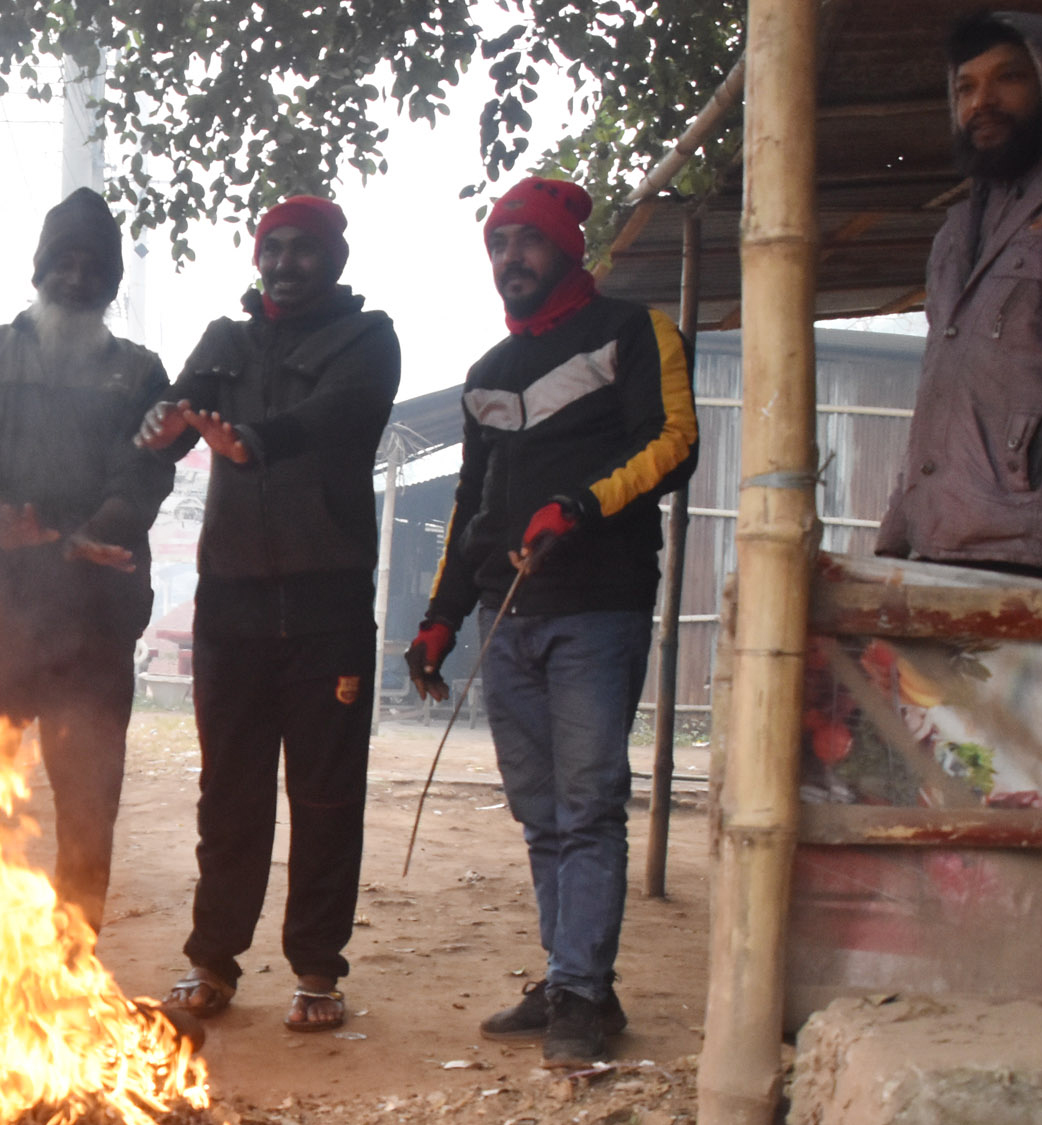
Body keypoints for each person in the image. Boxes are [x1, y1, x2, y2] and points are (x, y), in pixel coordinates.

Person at [405, 176, 697, 1066]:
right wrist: (440, 619)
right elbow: (472, 506)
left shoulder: (633, 331)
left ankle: (580, 988)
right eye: (498, 245)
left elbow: (674, 442)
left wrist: (579, 504)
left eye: (527, 241)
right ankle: (576, 979)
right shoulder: (488, 374)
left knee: (589, 804)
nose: (511, 258)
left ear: (569, 248)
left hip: (598, 608)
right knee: (540, 812)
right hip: (508, 616)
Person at [139, 196, 400, 1034]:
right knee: (229, 793)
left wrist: (255, 439)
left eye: (303, 249)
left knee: (326, 796)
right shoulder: (226, 340)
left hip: (328, 603)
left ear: (335, 260)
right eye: (273, 249)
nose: (285, 263)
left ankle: (318, 968)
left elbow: (341, 413)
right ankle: (212, 959)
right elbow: (178, 415)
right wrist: (160, 423)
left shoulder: (367, 338)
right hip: (231, 604)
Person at [0, 187, 174, 934]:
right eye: (63, 262)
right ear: (38, 270)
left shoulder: (139, 374)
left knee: (88, 797)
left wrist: (99, 530)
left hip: (92, 618)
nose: (76, 278)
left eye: (93, 267)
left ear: (111, 283)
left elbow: (146, 470)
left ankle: (73, 954)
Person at [876, 11, 1042, 585]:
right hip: (941, 550)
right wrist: (895, 539)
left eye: (1009, 78)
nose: (983, 102)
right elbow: (940, 398)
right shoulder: (957, 231)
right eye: (965, 88)